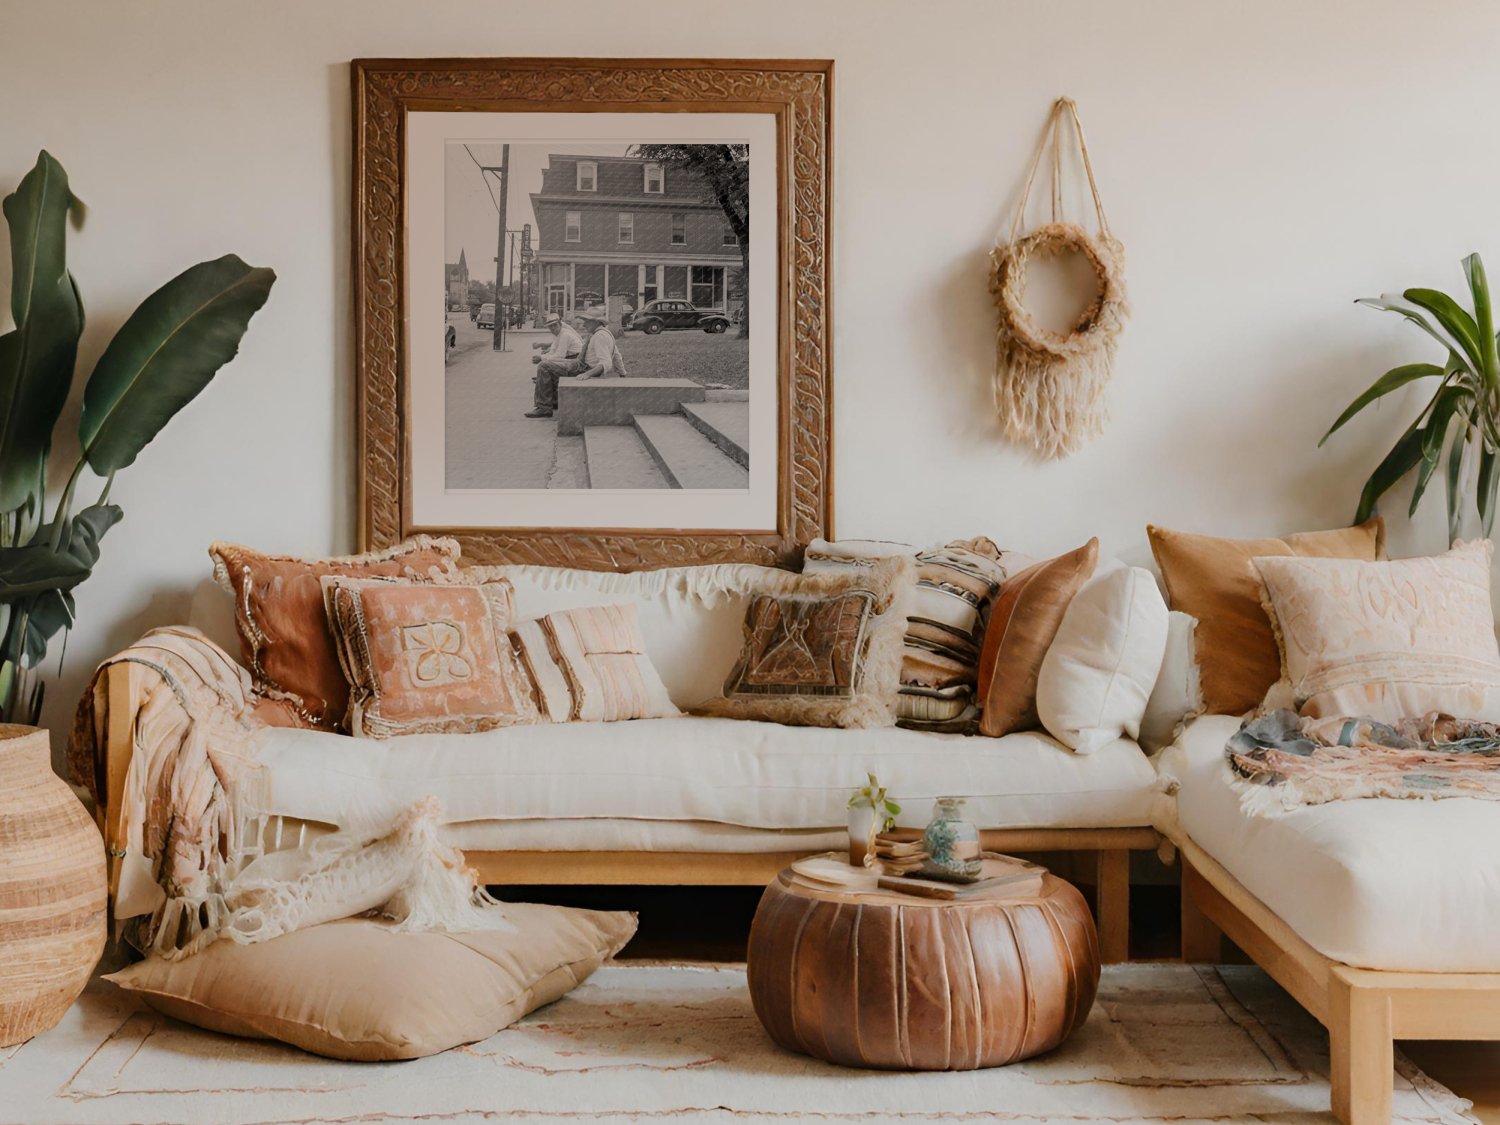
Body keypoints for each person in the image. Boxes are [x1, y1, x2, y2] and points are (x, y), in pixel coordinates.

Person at [525, 313, 585, 419]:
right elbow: (553, 352)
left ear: (560, 324)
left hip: (577, 364)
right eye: (550, 326)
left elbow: (559, 355)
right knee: (546, 366)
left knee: (544, 367)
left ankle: (544, 408)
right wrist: (542, 356)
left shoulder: (565, 334)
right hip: (570, 361)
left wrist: (541, 358)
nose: (553, 328)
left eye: (555, 325)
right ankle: (553, 401)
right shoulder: (558, 335)